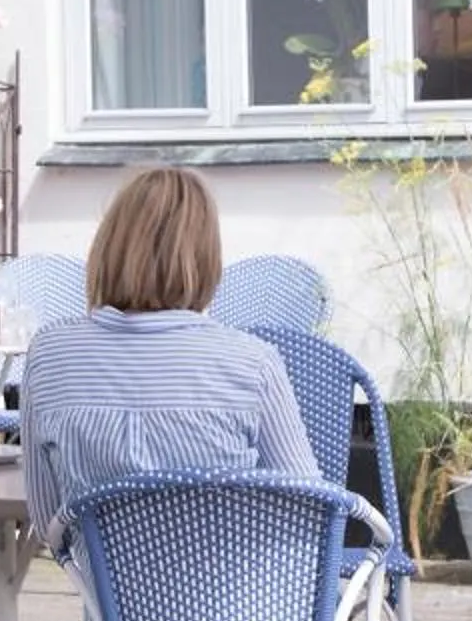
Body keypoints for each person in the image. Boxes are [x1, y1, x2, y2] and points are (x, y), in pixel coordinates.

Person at [20, 166, 319, 552]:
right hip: (241, 606)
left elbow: (48, 522)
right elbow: (310, 516)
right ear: (208, 257)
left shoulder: (50, 356)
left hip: (111, 610)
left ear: (108, 246)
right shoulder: (252, 364)